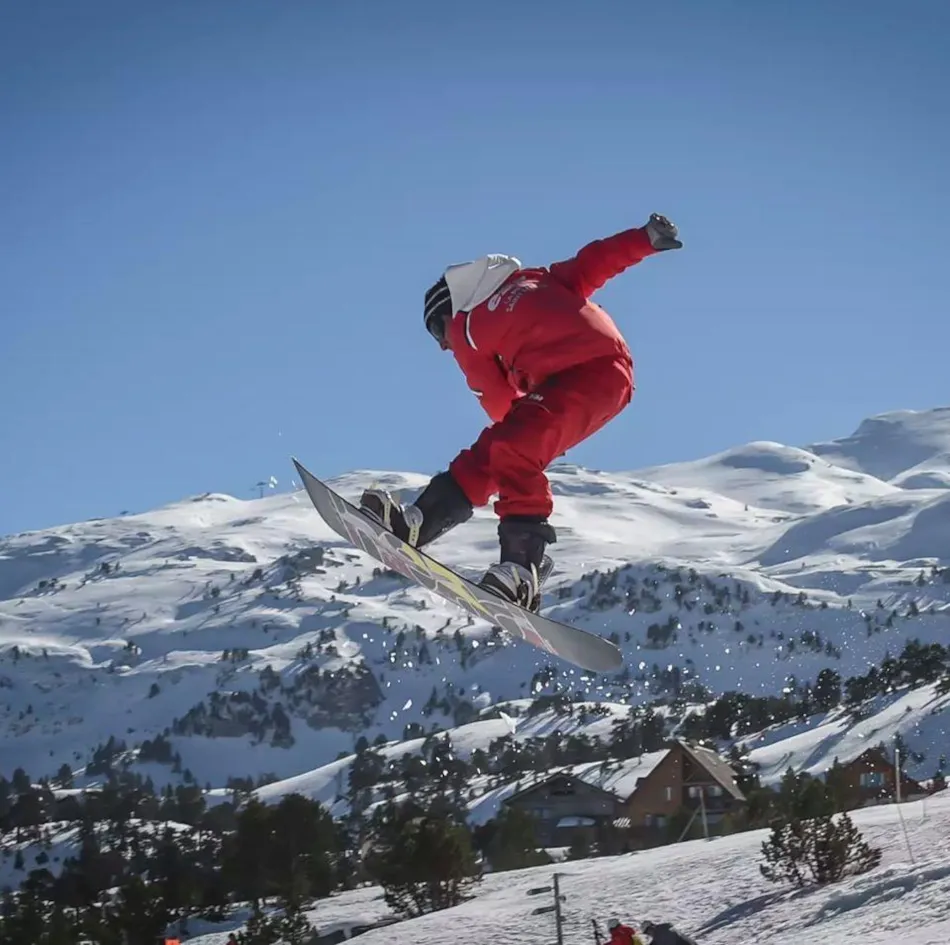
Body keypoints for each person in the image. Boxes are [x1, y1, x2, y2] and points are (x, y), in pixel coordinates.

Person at [360, 213, 682, 611]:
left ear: (448, 311)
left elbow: (493, 397)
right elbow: (594, 262)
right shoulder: (535, 279)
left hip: (588, 379)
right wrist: (645, 239)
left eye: (435, 332)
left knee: (507, 448)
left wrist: (526, 442)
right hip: (606, 369)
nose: (442, 346)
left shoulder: (465, 330)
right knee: (503, 448)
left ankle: (518, 570)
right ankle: (419, 524)